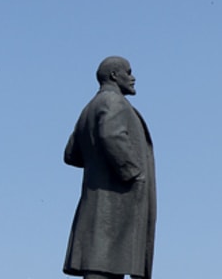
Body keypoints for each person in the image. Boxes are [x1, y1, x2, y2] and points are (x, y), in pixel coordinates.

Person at [63, 56, 156, 279]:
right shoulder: (114, 102)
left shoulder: (89, 108)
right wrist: (133, 172)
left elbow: (72, 154)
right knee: (106, 262)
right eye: (128, 72)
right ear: (114, 75)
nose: (133, 78)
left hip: (97, 204)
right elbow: (110, 135)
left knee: (107, 265)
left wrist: (97, 162)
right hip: (113, 204)